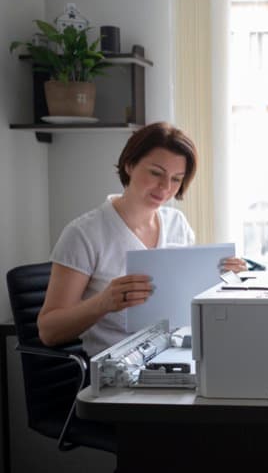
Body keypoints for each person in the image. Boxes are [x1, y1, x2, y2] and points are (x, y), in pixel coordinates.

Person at [38, 122, 248, 357]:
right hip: (118, 371)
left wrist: (224, 280)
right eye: (156, 173)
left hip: (176, 357)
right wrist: (103, 302)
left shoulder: (177, 223)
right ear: (129, 165)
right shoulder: (84, 234)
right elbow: (49, 331)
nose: (165, 188)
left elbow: (187, 305)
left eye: (177, 179)